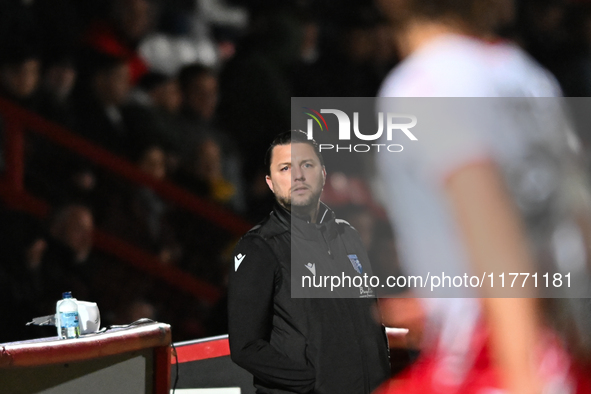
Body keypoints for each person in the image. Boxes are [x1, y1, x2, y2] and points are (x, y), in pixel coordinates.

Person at [375, 0, 591, 393]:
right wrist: (445, 301)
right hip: (561, 347)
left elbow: (497, 245)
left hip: (498, 363)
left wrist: (526, 377)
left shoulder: (424, 85)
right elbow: (575, 226)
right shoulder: (523, 73)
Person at [227, 130, 390, 394]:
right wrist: (312, 383)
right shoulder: (259, 247)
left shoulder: (348, 235)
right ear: (270, 182)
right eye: (285, 168)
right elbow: (246, 347)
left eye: (307, 165)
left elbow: (371, 319)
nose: (298, 175)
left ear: (323, 174)